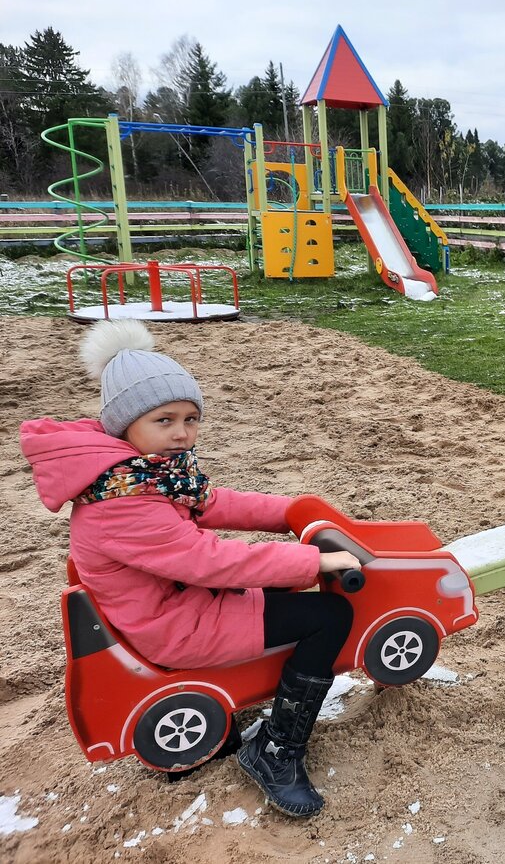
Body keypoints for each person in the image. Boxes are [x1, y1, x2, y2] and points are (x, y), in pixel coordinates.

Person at [19, 319, 361, 817]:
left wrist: (289, 511)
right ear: (124, 424)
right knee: (329, 616)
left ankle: (217, 736)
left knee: (281, 591)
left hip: (168, 603)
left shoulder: (136, 473)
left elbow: (210, 503)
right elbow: (209, 561)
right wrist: (314, 559)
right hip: (173, 624)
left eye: (191, 418)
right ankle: (277, 751)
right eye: (164, 420)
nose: (182, 433)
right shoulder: (124, 501)